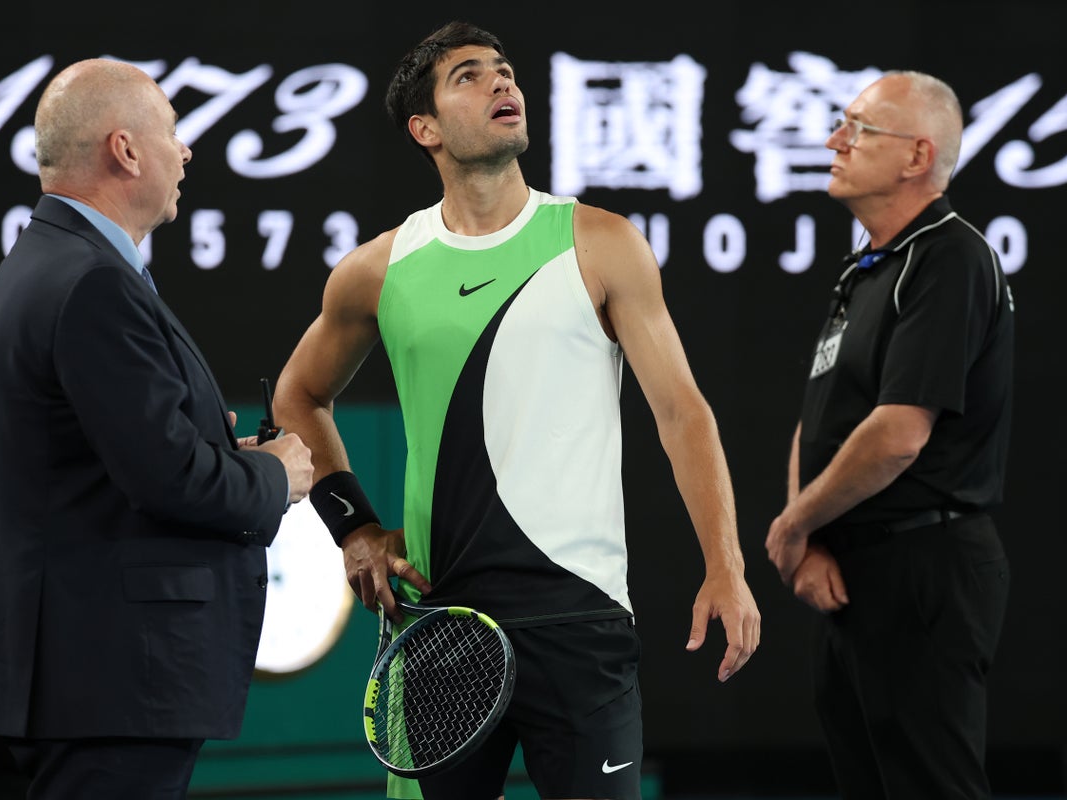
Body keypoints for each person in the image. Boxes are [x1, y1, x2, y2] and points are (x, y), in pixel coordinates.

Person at [272, 20, 760, 800]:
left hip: (581, 623)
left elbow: (682, 413)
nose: (501, 81)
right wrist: (354, 529)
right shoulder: (378, 269)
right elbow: (298, 396)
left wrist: (726, 565)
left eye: (503, 69)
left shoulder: (601, 243)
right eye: (468, 75)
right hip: (439, 622)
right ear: (425, 128)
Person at [0, 58, 316, 800]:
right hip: (110, 678)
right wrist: (274, 472)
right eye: (172, 131)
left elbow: (114, 456)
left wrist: (217, 452)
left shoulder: (51, 261)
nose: (185, 151)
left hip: (89, 677)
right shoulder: (92, 280)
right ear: (125, 151)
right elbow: (169, 478)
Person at [764, 70, 1014, 799]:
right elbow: (818, 418)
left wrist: (793, 526)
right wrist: (810, 537)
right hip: (856, 569)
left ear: (917, 156)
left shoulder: (948, 255)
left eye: (858, 128)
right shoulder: (869, 267)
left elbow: (899, 433)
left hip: (924, 567)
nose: (834, 141)